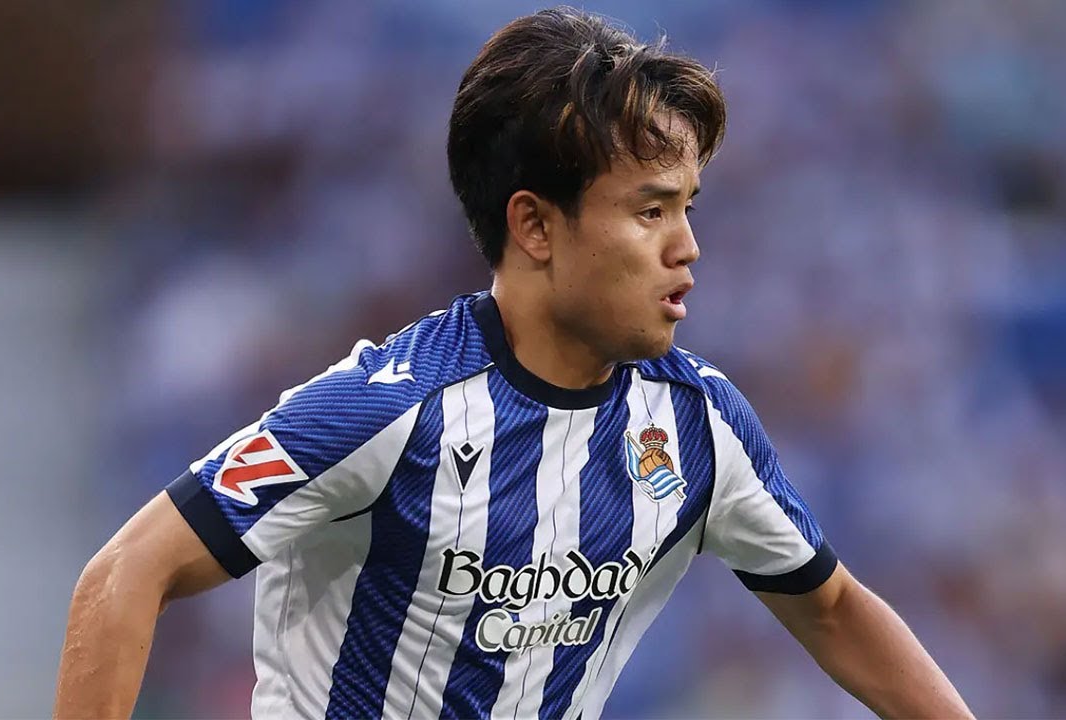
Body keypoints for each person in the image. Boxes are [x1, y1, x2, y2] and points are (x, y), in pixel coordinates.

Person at [53, 7, 973, 719]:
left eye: (688, 207)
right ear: (534, 225)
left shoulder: (696, 424)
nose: (688, 246)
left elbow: (834, 610)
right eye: (650, 211)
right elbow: (123, 575)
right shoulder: (384, 410)